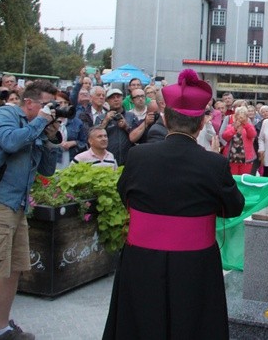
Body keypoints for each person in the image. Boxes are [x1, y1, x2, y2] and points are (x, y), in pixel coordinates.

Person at [103, 69, 244, 340]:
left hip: (142, 261)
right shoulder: (213, 163)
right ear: (201, 124)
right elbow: (234, 207)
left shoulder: (139, 156)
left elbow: (125, 196)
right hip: (194, 265)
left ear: (166, 119)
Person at [0, 80, 61, 340]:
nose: (50, 110)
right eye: (45, 105)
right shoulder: (5, 114)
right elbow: (9, 143)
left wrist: (50, 137)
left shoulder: (35, 127)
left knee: (12, 269)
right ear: (29, 103)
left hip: (16, 207)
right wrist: (40, 122)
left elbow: (47, 171)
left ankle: (0, 330)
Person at [221, 106, 257, 175]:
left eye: (244, 116)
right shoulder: (230, 126)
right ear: (236, 116)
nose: (241, 118)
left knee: (244, 178)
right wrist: (234, 129)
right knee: (232, 178)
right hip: (232, 158)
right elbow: (225, 137)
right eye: (239, 116)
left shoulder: (249, 126)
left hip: (246, 159)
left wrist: (246, 125)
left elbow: (253, 135)